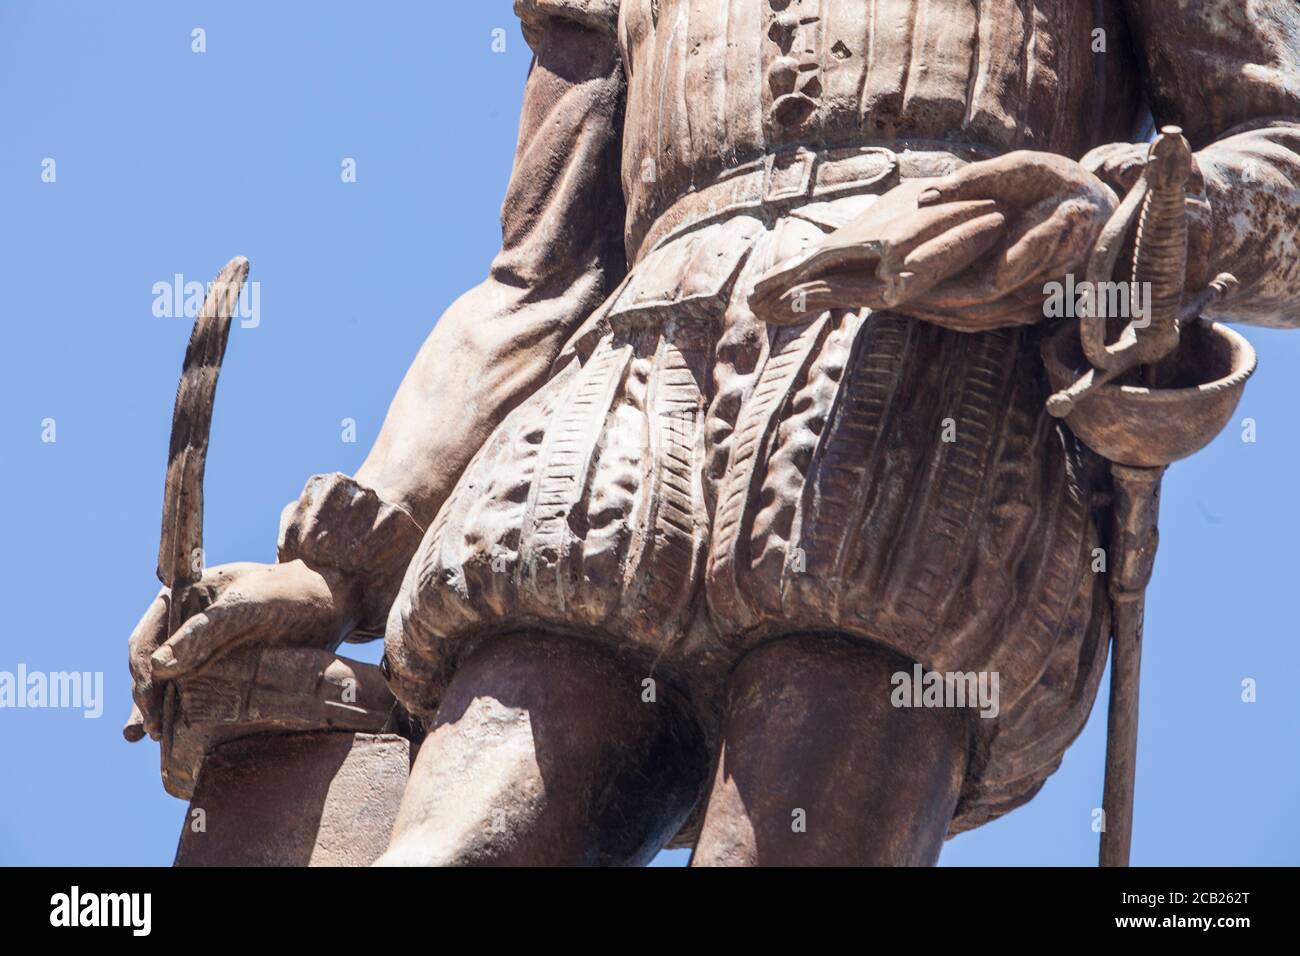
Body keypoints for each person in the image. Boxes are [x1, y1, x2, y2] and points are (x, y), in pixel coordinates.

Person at [127, 0, 1300, 865]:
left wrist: (1137, 224)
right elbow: (533, 286)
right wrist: (328, 573)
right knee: (447, 851)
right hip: (609, 441)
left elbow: (1281, 170)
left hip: (923, 430)